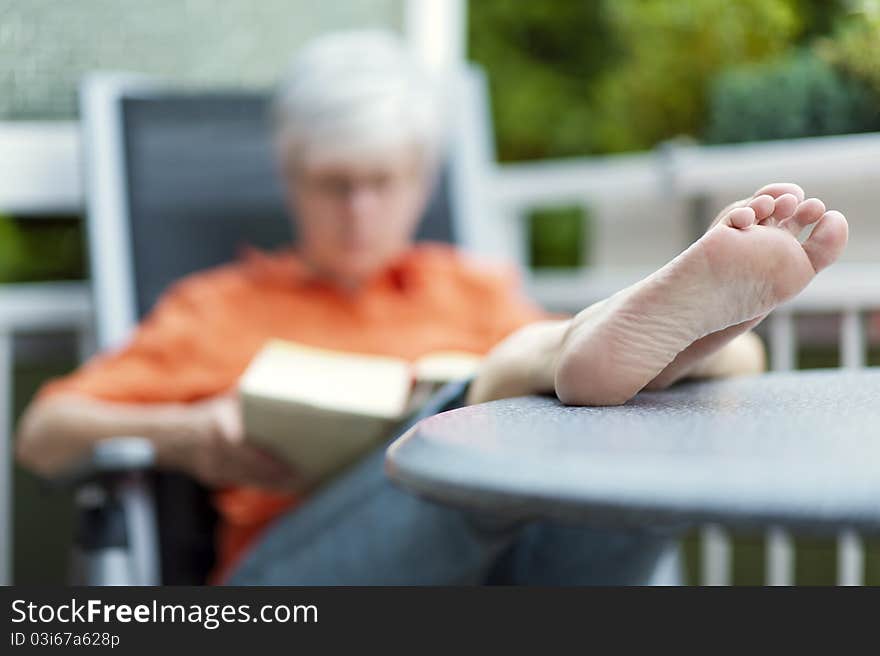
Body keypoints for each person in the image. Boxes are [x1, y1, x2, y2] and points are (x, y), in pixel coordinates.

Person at [15, 31, 847, 585]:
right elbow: (44, 434)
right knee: (486, 422)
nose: (359, 210)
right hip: (306, 572)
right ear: (290, 176)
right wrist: (187, 433)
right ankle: (623, 357)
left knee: (621, 465)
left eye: (383, 183)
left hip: (513, 572)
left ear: (420, 179)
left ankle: (689, 350)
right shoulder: (220, 305)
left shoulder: (466, 283)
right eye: (334, 184)